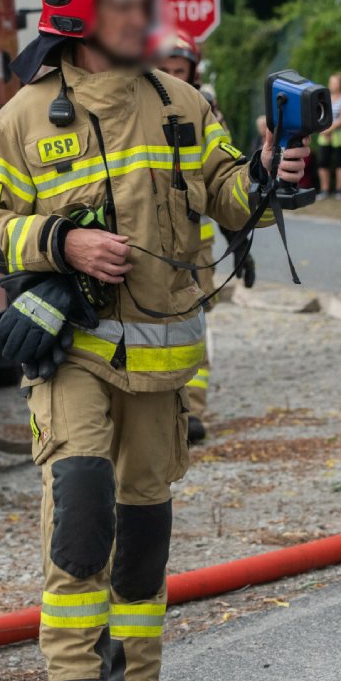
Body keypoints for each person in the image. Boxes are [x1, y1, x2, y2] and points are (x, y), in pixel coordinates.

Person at [0, 0, 308, 681]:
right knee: (81, 509)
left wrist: (270, 170)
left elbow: (231, 200)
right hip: (75, 351)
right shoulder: (26, 117)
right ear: (79, 7)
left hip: (159, 366)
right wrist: (60, 240)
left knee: (145, 527)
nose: (146, 10)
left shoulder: (183, 103)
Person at [148, 27, 215, 444]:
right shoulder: (139, 111)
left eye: (180, 69)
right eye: (165, 68)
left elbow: (224, 181)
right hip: (154, 244)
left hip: (199, 245)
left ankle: (193, 408)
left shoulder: (205, 112)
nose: (173, 75)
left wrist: (242, 239)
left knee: (195, 321)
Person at [316, 72, 341, 200]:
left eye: (334, 82)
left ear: (340, 85)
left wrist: (330, 130)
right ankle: (325, 189)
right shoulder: (324, 98)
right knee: (323, 162)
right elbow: (318, 114)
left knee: (339, 162)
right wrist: (323, 130)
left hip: (338, 135)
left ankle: (339, 190)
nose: (332, 85)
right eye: (331, 82)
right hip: (324, 134)